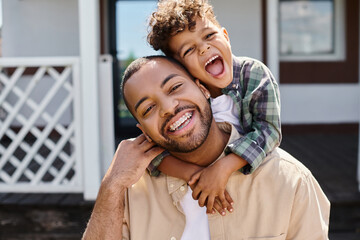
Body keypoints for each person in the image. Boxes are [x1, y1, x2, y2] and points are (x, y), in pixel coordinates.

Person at [82, 56, 330, 240]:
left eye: (175, 87)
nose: (168, 108)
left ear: (202, 87)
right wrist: (110, 186)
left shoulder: (290, 181)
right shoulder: (130, 190)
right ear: (143, 129)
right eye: (148, 109)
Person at [145, 0, 282, 213]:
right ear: (181, 68)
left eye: (209, 36)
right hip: (199, 196)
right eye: (189, 49)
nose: (204, 48)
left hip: (254, 185)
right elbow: (152, 153)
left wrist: (223, 168)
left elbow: (269, 131)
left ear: (225, 36)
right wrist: (195, 175)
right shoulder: (184, 98)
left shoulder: (254, 75)